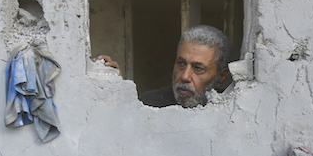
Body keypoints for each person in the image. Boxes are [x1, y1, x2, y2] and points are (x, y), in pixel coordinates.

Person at [94, 25, 233, 108]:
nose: (185, 76)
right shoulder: (148, 104)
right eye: (181, 64)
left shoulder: (232, 109)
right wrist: (116, 94)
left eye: (198, 68)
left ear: (221, 76)